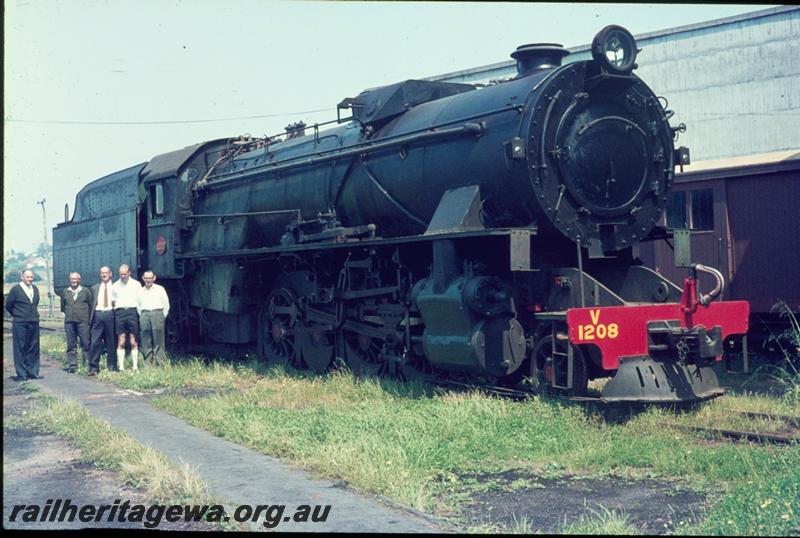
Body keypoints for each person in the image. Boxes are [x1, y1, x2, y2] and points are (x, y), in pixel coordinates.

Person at [4, 269, 42, 380]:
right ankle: (21, 373)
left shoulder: (35, 289)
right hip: (20, 322)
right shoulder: (16, 289)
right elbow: (9, 305)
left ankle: (33, 371)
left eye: (31, 277)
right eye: (27, 277)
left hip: (33, 321)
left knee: (33, 347)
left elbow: (35, 303)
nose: (30, 279)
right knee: (20, 347)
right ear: (22, 277)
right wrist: (17, 314)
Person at [60, 272, 93, 373]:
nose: (74, 281)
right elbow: (63, 306)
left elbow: (91, 306)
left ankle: (87, 364)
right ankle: (73, 365)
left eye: (76, 279)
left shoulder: (85, 291)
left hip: (83, 321)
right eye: (72, 279)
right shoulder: (65, 291)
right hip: (69, 322)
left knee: (86, 343)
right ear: (69, 279)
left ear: (79, 279)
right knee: (71, 344)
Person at [137, 270, 170, 367]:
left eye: (150, 278)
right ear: (143, 278)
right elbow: (138, 306)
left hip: (157, 313)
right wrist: (143, 315)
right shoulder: (140, 291)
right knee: (145, 338)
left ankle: (159, 362)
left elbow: (166, 304)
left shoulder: (160, 289)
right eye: (146, 278)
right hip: (144, 314)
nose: (148, 280)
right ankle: (148, 362)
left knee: (158, 339)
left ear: (154, 278)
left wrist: (162, 316)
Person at [112, 264, 142, 371]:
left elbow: (140, 299)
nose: (123, 276)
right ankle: (121, 366)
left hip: (132, 312)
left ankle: (135, 366)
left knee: (133, 340)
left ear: (129, 273)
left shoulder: (136, 284)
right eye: (121, 274)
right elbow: (113, 301)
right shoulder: (115, 285)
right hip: (120, 312)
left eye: (125, 274)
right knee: (121, 340)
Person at [88, 266, 116, 375]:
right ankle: (94, 367)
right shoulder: (95, 288)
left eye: (106, 273)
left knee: (111, 342)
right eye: (102, 273)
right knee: (95, 342)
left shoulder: (115, 287)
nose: (104, 275)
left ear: (110, 274)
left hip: (110, 314)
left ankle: (112, 367)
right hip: (98, 315)